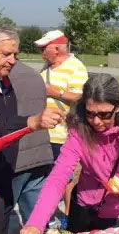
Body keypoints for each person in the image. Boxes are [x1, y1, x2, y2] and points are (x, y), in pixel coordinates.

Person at [20, 74, 119, 234]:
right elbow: (58, 177)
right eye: (90, 114)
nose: (96, 121)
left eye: (104, 114)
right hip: (87, 212)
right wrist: (36, 222)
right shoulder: (79, 128)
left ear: (118, 108)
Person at [0, 25, 64, 234]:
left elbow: (7, 123)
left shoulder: (3, 79)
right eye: (6, 54)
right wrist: (32, 122)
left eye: (15, 54)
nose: (12, 60)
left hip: (4, 175)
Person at [35, 29, 88, 222]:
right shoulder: (46, 68)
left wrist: (53, 92)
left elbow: (81, 97)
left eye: (44, 48)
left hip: (63, 134)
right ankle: (45, 214)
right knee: (45, 177)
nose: (41, 52)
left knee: (63, 178)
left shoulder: (76, 67)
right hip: (44, 133)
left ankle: (67, 216)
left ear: (56, 48)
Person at [10, 61, 54, 226]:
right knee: (36, 218)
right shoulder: (34, 74)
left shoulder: (3, 77)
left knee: (2, 215)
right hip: (41, 150)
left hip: (17, 155)